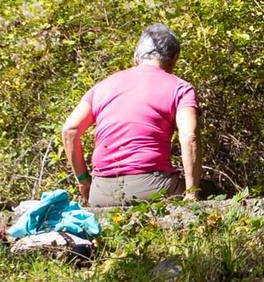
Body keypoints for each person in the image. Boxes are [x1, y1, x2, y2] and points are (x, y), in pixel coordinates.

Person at [61, 23, 200, 209]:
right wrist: (192, 194)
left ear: (136, 58)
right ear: (174, 60)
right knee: (208, 190)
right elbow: (189, 136)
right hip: (152, 188)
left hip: (101, 192)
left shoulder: (102, 86)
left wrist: (84, 181)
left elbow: (70, 130)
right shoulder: (180, 88)